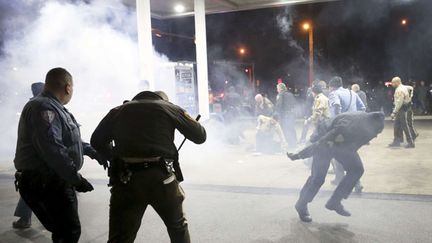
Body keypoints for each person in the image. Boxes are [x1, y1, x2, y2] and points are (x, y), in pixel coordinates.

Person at [90, 90, 206, 243]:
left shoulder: (118, 111)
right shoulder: (169, 108)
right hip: (162, 180)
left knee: (120, 237)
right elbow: (200, 136)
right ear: (164, 100)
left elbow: (96, 141)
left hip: (126, 179)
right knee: (177, 228)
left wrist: (115, 157)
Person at [14, 67, 107, 242]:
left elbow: (68, 140)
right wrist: (75, 179)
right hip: (47, 182)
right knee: (68, 233)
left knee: (65, 231)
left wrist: (92, 151)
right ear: (68, 87)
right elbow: (53, 149)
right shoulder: (44, 107)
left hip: (50, 180)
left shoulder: (54, 107)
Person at [288, 112, 385, 222]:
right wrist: (300, 155)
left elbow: (354, 146)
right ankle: (301, 204)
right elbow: (322, 142)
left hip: (341, 144)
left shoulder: (368, 128)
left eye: (378, 132)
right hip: (325, 137)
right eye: (376, 132)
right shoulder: (348, 125)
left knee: (356, 169)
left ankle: (335, 201)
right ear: (370, 126)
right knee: (318, 178)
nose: (376, 135)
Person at [12, 82, 44, 229]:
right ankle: (25, 219)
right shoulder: (38, 107)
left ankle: (25, 219)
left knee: (31, 191)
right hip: (37, 159)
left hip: (34, 159)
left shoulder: (34, 106)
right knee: (31, 190)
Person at [328, 77, 366, 189]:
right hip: (353, 129)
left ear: (332, 86)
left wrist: (337, 122)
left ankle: (355, 182)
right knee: (346, 154)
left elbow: (336, 106)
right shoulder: (352, 93)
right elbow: (362, 108)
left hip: (341, 129)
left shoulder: (333, 93)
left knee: (341, 154)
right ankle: (341, 179)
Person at [388, 77, 416, 148]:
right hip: (406, 107)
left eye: (393, 83)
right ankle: (397, 141)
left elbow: (399, 103)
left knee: (404, 126)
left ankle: (410, 143)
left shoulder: (399, 90)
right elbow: (411, 88)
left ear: (397, 82)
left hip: (401, 109)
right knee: (397, 125)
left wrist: (394, 112)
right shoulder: (406, 87)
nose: (392, 84)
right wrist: (409, 98)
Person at [275, 83, 297, 148]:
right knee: (291, 129)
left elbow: (279, 105)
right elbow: (294, 103)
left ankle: (289, 145)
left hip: (284, 115)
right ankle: (294, 144)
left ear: (281, 88)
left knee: (285, 130)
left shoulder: (280, 95)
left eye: (277, 88)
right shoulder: (290, 94)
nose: (277, 90)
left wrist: (276, 115)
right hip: (291, 114)